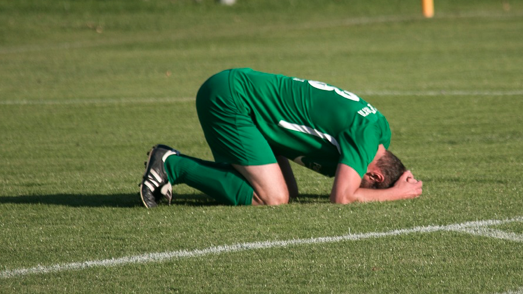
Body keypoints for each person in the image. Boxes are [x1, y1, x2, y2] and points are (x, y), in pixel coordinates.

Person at [138, 68, 423, 208]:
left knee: (287, 192)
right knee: (272, 197)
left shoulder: (380, 130)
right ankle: (172, 164)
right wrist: (397, 193)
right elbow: (342, 197)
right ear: (374, 177)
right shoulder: (365, 139)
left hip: (243, 101)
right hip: (232, 99)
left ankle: (190, 169)